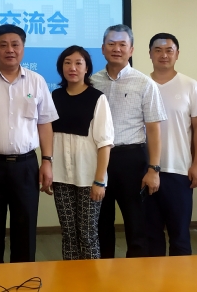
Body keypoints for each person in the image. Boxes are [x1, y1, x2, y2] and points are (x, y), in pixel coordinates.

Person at [0, 24, 58, 264]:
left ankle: (23, 279)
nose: (10, 50)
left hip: (26, 166)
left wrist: (47, 161)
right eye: (3, 45)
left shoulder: (36, 81)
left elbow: (45, 124)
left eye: (15, 44)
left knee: (25, 230)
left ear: (23, 48)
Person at [91, 24, 166, 258]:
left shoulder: (144, 83)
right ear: (103, 48)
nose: (117, 49)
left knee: (136, 222)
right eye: (111, 44)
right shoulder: (92, 82)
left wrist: (154, 169)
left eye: (122, 44)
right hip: (99, 159)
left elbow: (153, 129)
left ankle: (136, 272)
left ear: (131, 50)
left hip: (132, 159)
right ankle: (103, 270)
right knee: (100, 222)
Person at [146, 33, 197, 256]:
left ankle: (181, 277)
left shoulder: (190, 85)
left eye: (169, 50)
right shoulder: (142, 84)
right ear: (150, 54)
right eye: (158, 50)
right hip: (145, 171)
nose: (163, 55)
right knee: (150, 235)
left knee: (179, 235)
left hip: (179, 171)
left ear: (177, 54)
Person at [51, 46, 114, 260]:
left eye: (78, 63)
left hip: (89, 178)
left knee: (87, 234)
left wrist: (100, 181)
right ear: (61, 67)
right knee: (68, 234)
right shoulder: (55, 96)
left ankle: (91, 277)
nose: (73, 68)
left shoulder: (97, 98)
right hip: (61, 176)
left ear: (87, 68)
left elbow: (105, 143)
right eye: (67, 63)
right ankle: (71, 276)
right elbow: (49, 136)